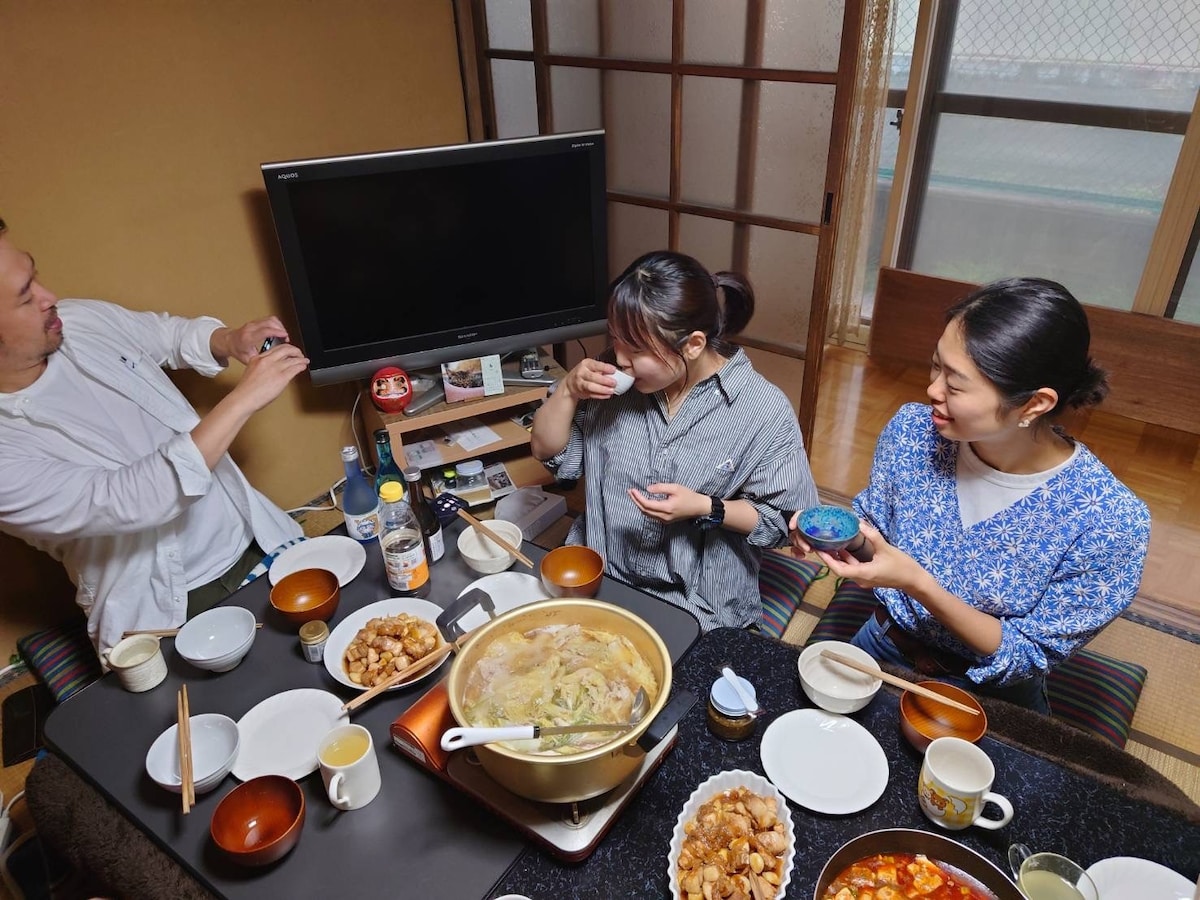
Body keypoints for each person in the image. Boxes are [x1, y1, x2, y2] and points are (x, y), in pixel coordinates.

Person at [790, 277, 1150, 712]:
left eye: (955, 384)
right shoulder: (912, 431)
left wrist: (918, 583)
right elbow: (878, 536)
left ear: (1034, 404)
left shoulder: (1110, 522)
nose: (932, 390)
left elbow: (1027, 655)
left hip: (993, 695)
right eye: (935, 365)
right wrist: (844, 537)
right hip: (886, 645)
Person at [0, 217, 310, 655]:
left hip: (253, 537)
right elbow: (129, 499)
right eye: (26, 296)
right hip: (165, 608)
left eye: (35, 275)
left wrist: (229, 339)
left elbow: (167, 334)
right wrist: (242, 400)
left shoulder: (76, 321)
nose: (50, 298)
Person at [531, 250, 818, 631]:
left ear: (693, 344)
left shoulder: (761, 410)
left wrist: (706, 507)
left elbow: (786, 522)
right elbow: (547, 452)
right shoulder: (606, 378)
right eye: (614, 339)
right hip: (602, 577)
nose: (620, 359)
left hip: (701, 605)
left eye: (636, 349)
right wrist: (568, 389)